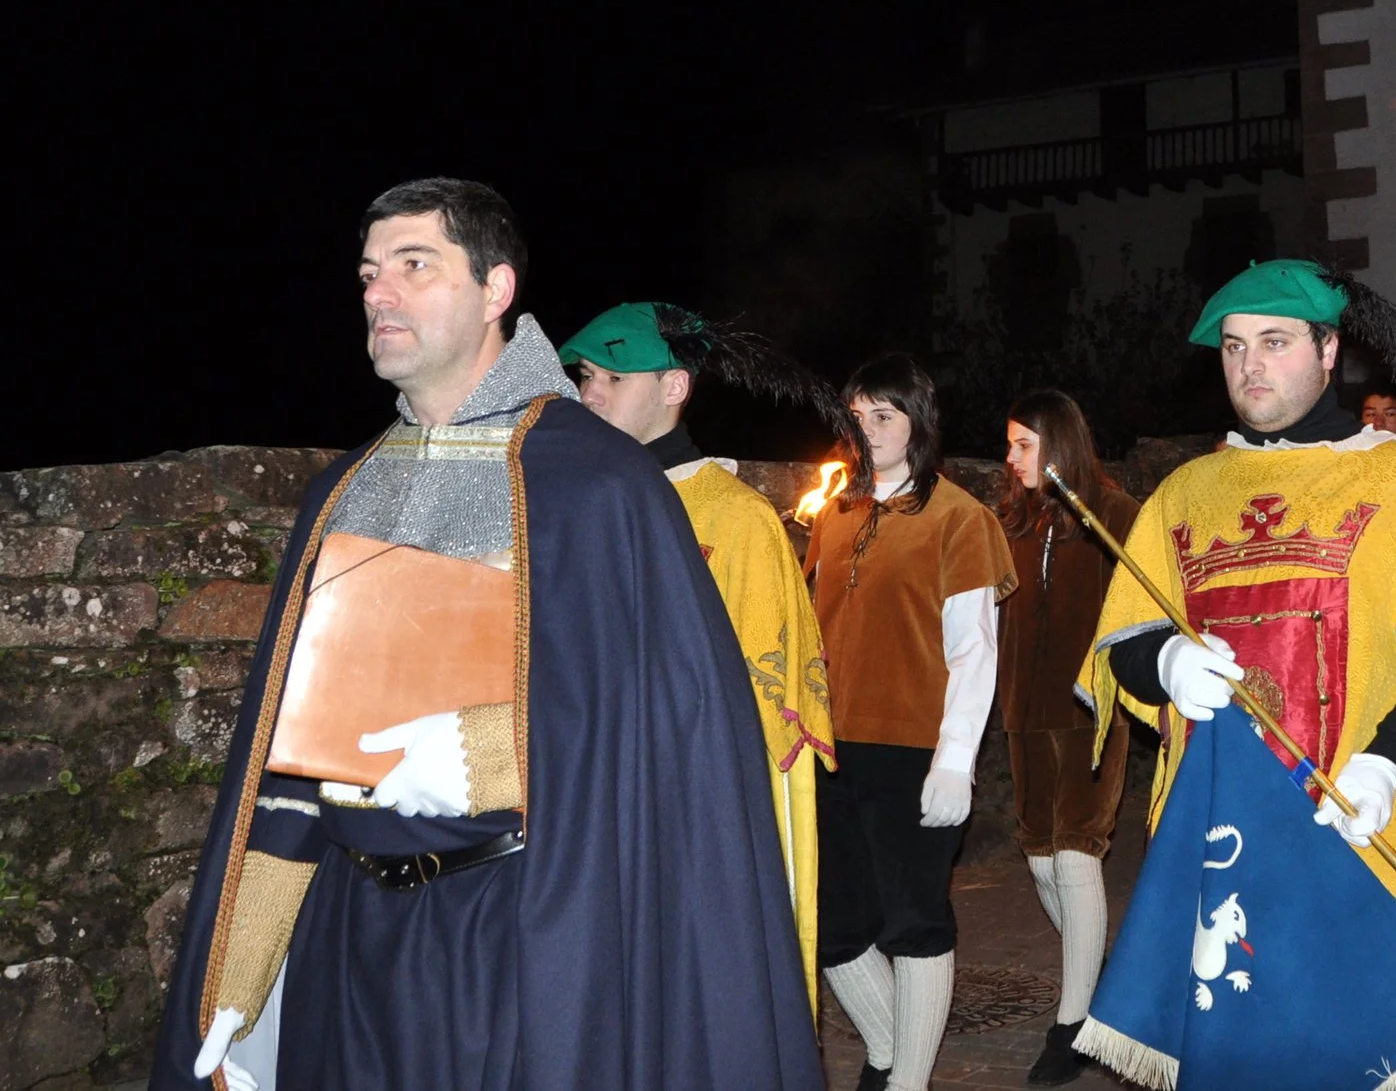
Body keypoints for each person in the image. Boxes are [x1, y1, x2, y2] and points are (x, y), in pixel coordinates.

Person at [156, 179, 820, 1091]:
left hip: (529, 935)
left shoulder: (601, 489)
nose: (378, 294)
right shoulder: (344, 493)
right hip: (349, 945)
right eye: (368, 273)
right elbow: (290, 767)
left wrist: (485, 758)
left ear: (496, 289)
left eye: (414, 266)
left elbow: (666, 738)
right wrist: (244, 977)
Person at [1082, 260, 1396, 1087]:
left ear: (1327, 352)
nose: (1249, 365)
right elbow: (1125, 646)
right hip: (1223, 841)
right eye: (1234, 347)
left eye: (1273, 343)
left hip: (1359, 829)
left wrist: (1388, 761)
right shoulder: (1183, 493)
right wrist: (1165, 661)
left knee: (1342, 1051)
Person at [561, 300, 842, 987]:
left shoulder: (739, 521)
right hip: (591, 804)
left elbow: (769, 711)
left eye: (613, 379)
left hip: (692, 811)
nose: (588, 393)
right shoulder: (571, 502)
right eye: (585, 376)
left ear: (674, 388)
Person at [805, 356, 1017, 1091]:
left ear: (918, 424)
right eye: (857, 418)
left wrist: (955, 759)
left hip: (916, 747)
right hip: (832, 749)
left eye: (883, 416)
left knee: (914, 921)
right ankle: (893, 1049)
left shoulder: (961, 517)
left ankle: (907, 1083)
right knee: (835, 928)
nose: (867, 432)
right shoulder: (834, 514)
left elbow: (973, 650)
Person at [995, 391, 1139, 1084]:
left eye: (1024, 444)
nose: (1011, 457)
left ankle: (1074, 1023)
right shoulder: (1012, 519)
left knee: (1077, 853)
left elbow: (1144, 607)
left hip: (1089, 710)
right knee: (1040, 859)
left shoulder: (1112, 514)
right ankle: (1098, 974)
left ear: (1059, 445)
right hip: (1024, 711)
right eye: (1011, 445)